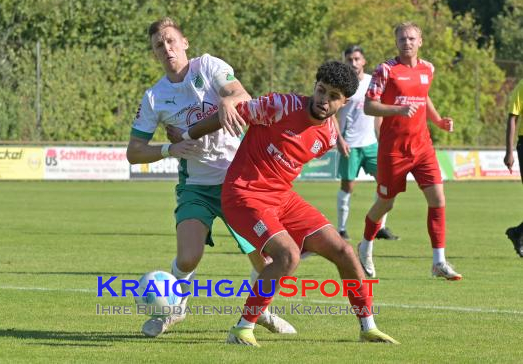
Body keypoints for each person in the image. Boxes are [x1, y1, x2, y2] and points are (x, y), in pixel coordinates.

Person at [182, 60, 399, 346]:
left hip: (282, 197)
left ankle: (368, 328)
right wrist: (188, 135)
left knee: (345, 250)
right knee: (288, 256)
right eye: (321, 90)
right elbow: (231, 113)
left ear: (344, 102)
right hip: (244, 194)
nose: (324, 99)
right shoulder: (280, 105)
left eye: (334, 96)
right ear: (315, 86)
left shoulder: (330, 136)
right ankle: (242, 329)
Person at [126, 17, 295, 337]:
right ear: (154, 54)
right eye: (158, 46)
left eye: (171, 41)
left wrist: (229, 101)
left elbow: (241, 95)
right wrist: (168, 150)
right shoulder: (154, 97)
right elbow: (134, 151)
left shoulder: (208, 66)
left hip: (238, 184)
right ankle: (173, 309)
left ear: (185, 42)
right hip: (196, 187)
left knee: (266, 261)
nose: (166, 49)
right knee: (188, 258)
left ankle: (262, 313)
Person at [357, 21, 462, 280]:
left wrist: (438, 121)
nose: (407, 43)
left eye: (412, 38)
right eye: (403, 39)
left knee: (438, 199)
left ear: (420, 41)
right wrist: (397, 110)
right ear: (397, 42)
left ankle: (439, 261)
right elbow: (369, 106)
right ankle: (365, 246)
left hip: (422, 147)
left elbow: (423, 97)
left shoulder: (428, 68)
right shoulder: (386, 70)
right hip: (393, 150)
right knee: (385, 203)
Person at [334, 45, 399, 241]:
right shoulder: (342, 86)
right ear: (345, 62)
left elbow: (378, 113)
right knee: (348, 187)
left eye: (356, 59)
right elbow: (333, 116)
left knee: (385, 184)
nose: (353, 63)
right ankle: (342, 229)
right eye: (349, 60)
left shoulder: (373, 82)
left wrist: (383, 140)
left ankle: (380, 227)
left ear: (363, 61)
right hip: (350, 145)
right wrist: (339, 139)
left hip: (371, 144)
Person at [503, 78, 523, 258]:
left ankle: (518, 232)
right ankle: (518, 233)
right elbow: (512, 118)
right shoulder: (522, 85)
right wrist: (509, 152)